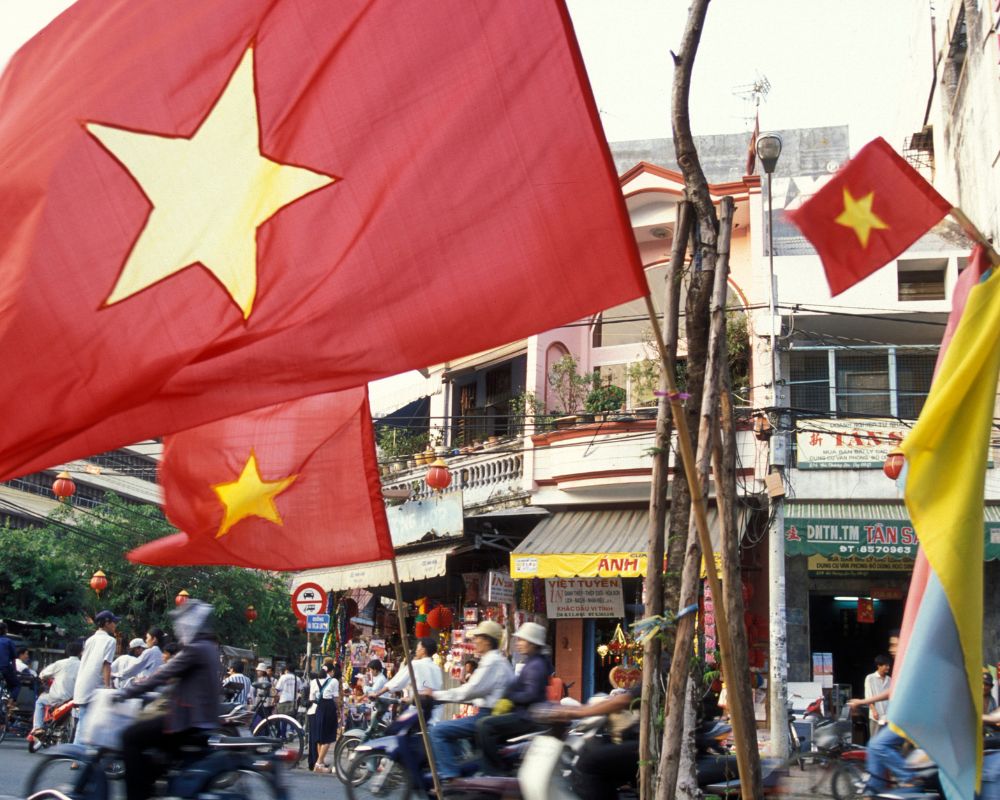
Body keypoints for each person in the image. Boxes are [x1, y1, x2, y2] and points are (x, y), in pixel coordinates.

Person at [119, 599, 221, 800]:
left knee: (130, 736)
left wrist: (125, 692)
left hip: (186, 720)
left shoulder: (195, 649)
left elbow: (160, 676)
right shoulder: (210, 647)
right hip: (204, 720)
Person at [421, 620, 514, 782]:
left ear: (487, 640)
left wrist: (436, 695)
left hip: (488, 716)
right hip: (492, 714)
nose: (474, 642)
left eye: (477, 638)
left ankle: (451, 779)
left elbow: (468, 692)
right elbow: (479, 692)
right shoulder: (498, 661)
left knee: (438, 731)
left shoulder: (492, 662)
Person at [476, 621, 552, 775]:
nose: (518, 643)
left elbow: (530, 695)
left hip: (528, 716)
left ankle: (495, 771)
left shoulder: (536, 665)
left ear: (533, 643)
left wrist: (509, 696)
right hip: (525, 714)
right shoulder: (532, 661)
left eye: (522, 640)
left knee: (483, 725)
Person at [545, 687, 640, 800]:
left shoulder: (661, 672)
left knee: (589, 763)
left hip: (653, 748)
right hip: (638, 739)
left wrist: (577, 712)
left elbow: (625, 700)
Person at [848, 629, 911, 795]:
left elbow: (892, 693)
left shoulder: (907, 665)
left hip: (907, 718)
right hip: (891, 717)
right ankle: (872, 792)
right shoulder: (873, 677)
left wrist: (862, 702)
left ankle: (908, 778)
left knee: (878, 745)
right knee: (875, 748)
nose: (892, 648)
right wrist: (870, 706)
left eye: (894, 644)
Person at [371, 637, 444, 721]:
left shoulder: (416, 664)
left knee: (394, 729)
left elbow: (396, 682)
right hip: (435, 715)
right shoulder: (437, 668)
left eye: (418, 647)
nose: (416, 650)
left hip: (418, 714)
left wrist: (377, 694)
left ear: (423, 650)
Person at [73, 609, 119, 740]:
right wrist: (107, 687)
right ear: (106, 623)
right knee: (92, 726)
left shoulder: (90, 640)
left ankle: (76, 760)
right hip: (95, 687)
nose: (115, 625)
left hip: (82, 685)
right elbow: (106, 664)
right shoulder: (110, 641)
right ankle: (76, 759)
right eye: (114, 622)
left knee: (83, 724)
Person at [31, 641, 81, 734]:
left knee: (40, 701)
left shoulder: (60, 663)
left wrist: (43, 678)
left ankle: (38, 727)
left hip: (58, 698)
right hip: (76, 699)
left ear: (67, 651)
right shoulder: (83, 665)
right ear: (81, 652)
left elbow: (43, 674)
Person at [310, 660, 340, 773]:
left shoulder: (314, 681)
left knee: (320, 737)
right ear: (331, 671)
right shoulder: (334, 681)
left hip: (318, 708)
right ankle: (318, 764)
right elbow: (336, 699)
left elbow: (312, 697)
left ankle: (320, 763)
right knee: (328, 737)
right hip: (329, 707)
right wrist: (338, 710)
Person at [864, 654, 892, 738]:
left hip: (887, 716)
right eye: (885, 665)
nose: (888, 667)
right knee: (875, 739)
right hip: (876, 715)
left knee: (885, 739)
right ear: (879, 666)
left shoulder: (889, 679)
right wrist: (874, 710)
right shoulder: (870, 678)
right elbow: (868, 696)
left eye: (888, 665)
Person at [0, 623, 18, 704]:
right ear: (5, 630)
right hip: (5, 668)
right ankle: (10, 703)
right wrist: (15, 670)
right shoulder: (8, 641)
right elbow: (14, 656)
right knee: (16, 685)